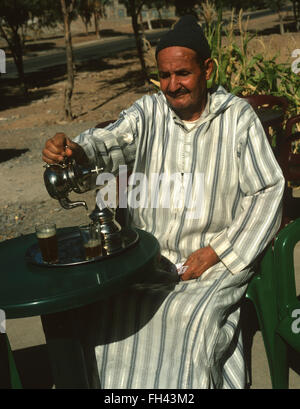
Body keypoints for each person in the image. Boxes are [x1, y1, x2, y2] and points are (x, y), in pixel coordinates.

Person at [42, 15, 285, 388]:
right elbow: (112, 141)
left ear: (207, 69)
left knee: (189, 320)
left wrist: (217, 250)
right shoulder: (149, 112)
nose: (172, 86)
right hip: (147, 260)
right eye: (164, 75)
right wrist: (77, 148)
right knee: (110, 319)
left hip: (210, 264)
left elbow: (268, 188)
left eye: (182, 74)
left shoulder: (237, 118)